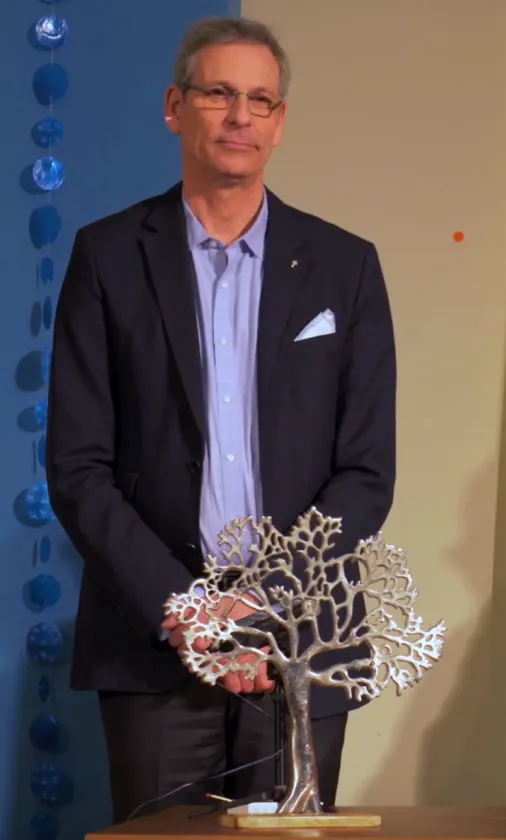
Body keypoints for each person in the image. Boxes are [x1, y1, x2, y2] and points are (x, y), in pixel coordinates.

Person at [45, 16, 396, 822]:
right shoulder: (106, 257)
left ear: (279, 122)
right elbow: (78, 466)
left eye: (261, 100)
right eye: (220, 94)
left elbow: (366, 471)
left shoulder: (346, 265)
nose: (241, 116)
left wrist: (264, 601)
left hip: (301, 646)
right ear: (175, 106)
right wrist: (190, 611)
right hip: (154, 648)